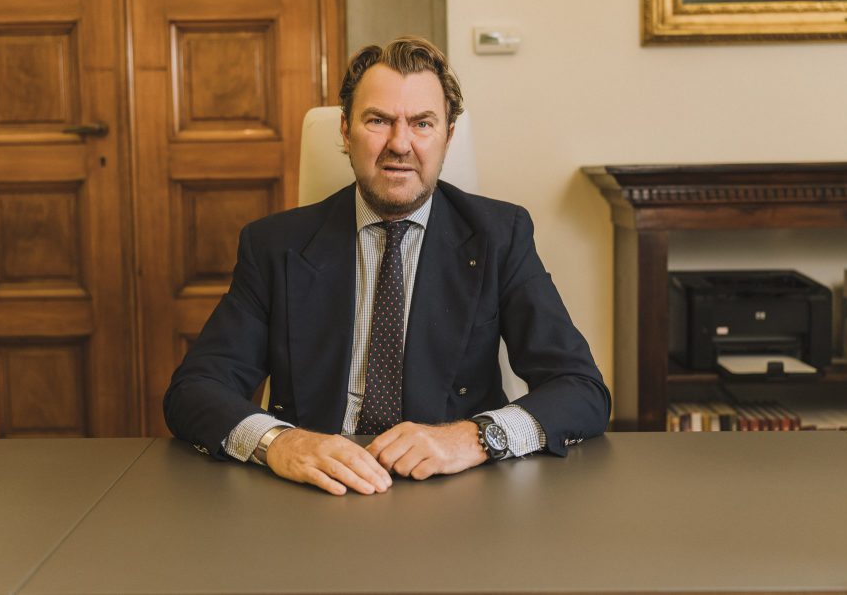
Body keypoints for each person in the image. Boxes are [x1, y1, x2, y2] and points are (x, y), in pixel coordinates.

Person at [164, 36, 610, 496]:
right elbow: (194, 390)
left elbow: (581, 389)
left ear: (448, 136)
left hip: (458, 491)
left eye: (422, 123)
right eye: (378, 120)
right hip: (315, 490)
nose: (400, 144)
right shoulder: (275, 246)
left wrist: (475, 438)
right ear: (346, 131)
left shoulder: (500, 236)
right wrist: (279, 442)